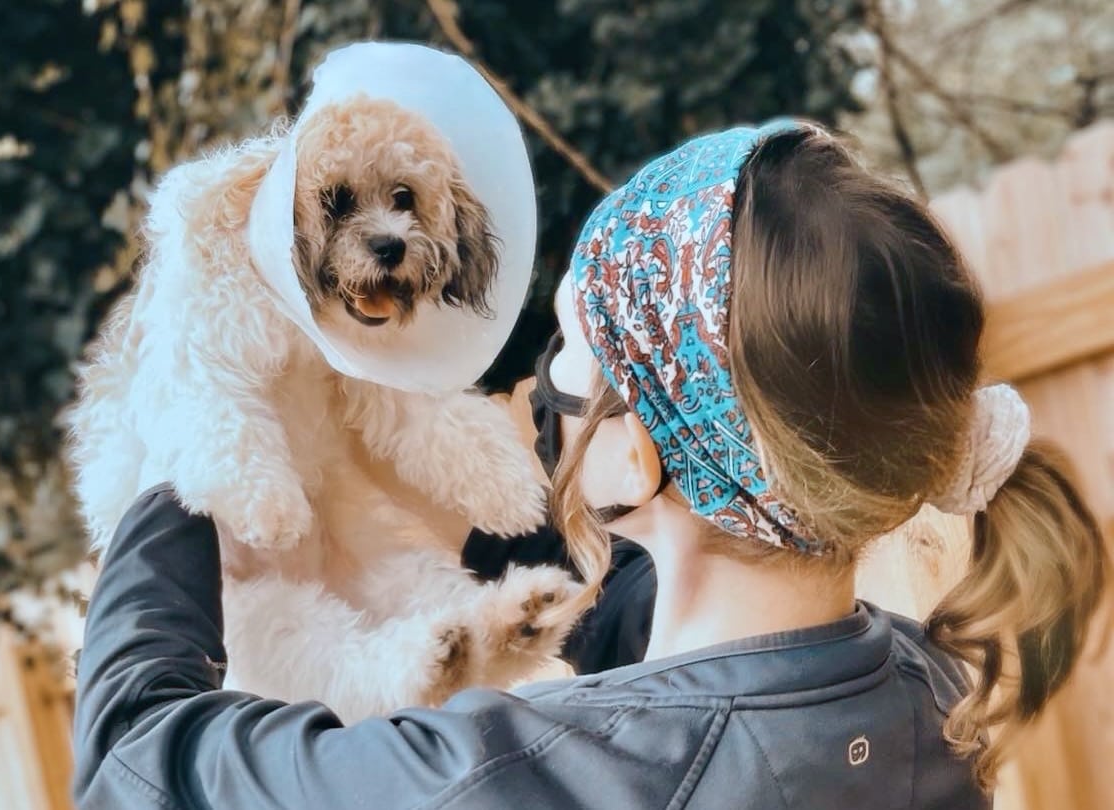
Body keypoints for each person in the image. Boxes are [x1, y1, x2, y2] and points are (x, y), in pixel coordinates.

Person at [71, 120, 1107, 809]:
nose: (538, 377)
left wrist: (190, 401)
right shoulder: (924, 688)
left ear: (637, 453)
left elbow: (131, 763)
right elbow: (659, 640)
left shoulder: (504, 776)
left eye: (567, 342)